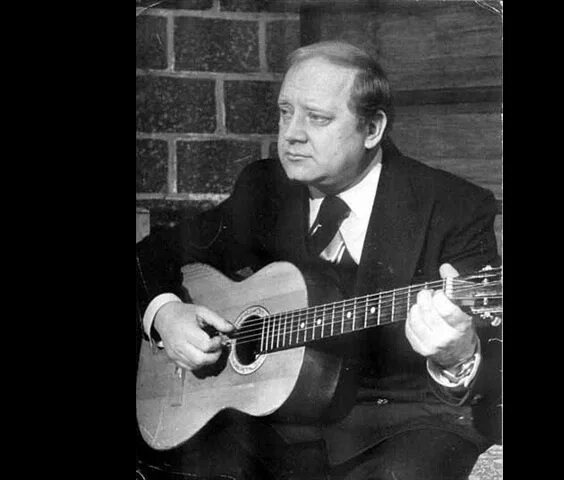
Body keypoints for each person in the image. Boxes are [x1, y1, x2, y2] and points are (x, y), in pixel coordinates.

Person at [136, 40, 502, 480]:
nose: (291, 134)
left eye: (317, 118)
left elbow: (491, 364)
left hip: (400, 426)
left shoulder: (453, 206)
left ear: (372, 129)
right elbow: (153, 253)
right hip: (276, 425)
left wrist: (458, 355)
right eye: (284, 112)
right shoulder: (265, 187)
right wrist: (166, 313)